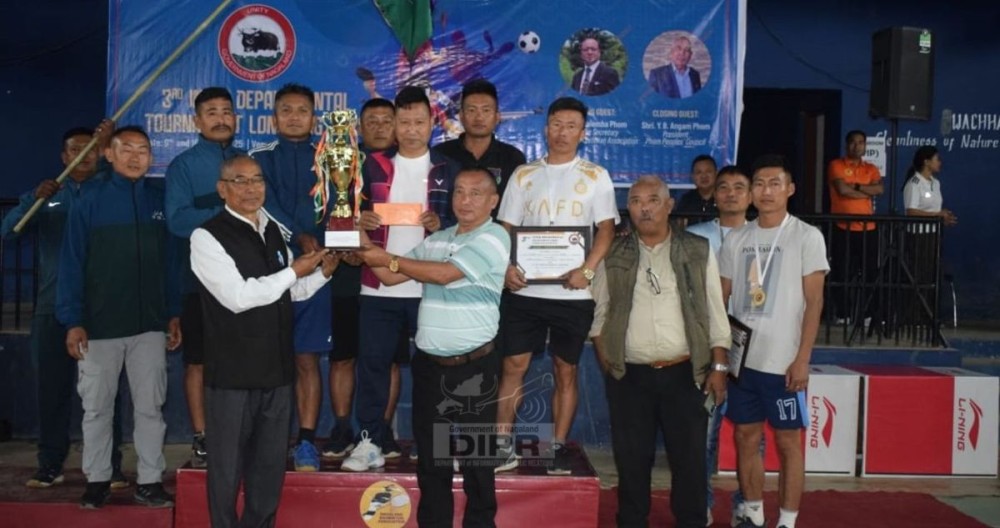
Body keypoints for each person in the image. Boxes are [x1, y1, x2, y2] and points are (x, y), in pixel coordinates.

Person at [355, 167, 509, 528]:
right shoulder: (439, 238)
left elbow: (442, 274)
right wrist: (358, 234)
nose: (465, 200)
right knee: (432, 463)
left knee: (477, 466)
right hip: (430, 369)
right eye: (459, 192)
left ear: (493, 201)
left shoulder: (495, 237)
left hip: (475, 370)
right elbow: (391, 277)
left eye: (475, 193)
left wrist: (388, 258)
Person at [191, 155, 338, 528]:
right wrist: (293, 271)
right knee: (226, 470)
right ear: (222, 188)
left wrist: (321, 273)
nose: (251, 188)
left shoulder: (272, 230)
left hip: (276, 371)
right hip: (232, 374)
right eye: (240, 181)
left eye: (257, 180)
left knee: (269, 469)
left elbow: (293, 292)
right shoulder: (207, 235)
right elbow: (239, 297)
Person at [590, 176, 730, 528]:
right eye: (636, 201)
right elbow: (599, 312)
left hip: (685, 373)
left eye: (653, 200)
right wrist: (607, 361)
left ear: (669, 206)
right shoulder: (614, 252)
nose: (645, 207)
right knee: (632, 462)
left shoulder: (697, 249)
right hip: (630, 376)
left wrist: (718, 366)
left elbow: (715, 311)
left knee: (690, 462)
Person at [56, 126, 182, 509]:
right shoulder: (88, 200)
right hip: (99, 327)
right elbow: (72, 262)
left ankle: (149, 480)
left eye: (142, 150)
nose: (135, 156)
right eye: (125, 149)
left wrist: (173, 313)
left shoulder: (159, 201)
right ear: (108, 154)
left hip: (149, 327)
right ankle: (96, 481)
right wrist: (73, 319)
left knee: (150, 408)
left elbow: (172, 265)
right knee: (97, 409)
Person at [1, 123, 132, 490]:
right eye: (75, 149)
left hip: (99, 308)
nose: (83, 155)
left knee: (106, 393)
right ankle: (49, 464)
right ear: (63, 156)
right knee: (52, 391)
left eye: (90, 148)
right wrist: (33, 201)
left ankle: (110, 465)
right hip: (51, 308)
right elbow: (9, 232)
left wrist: (109, 149)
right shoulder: (48, 194)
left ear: (100, 152)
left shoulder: (108, 190)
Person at [496, 96, 619, 474]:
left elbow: (606, 229)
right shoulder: (523, 175)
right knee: (513, 364)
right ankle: (501, 444)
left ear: (582, 133)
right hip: (525, 291)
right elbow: (505, 228)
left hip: (573, 293)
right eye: (556, 124)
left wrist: (589, 271)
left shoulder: (596, 176)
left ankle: (556, 446)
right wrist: (505, 266)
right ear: (545, 128)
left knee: (566, 368)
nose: (562, 132)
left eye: (571, 126)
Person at [342, 86, 458, 471]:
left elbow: (468, 225)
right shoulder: (368, 165)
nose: (410, 130)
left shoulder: (447, 168)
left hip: (430, 285)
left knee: (434, 370)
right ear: (393, 124)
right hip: (377, 287)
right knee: (373, 366)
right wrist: (360, 221)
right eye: (403, 122)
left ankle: (434, 443)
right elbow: (340, 220)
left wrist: (443, 223)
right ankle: (371, 441)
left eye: (418, 122)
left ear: (431, 124)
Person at [718, 155, 828, 528]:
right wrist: (718, 355)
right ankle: (751, 511)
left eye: (775, 183)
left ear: (790, 189)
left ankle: (787, 520)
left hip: (783, 362)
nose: (766, 191)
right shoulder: (737, 238)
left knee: (787, 444)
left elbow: (815, 302)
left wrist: (802, 359)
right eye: (760, 184)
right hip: (742, 362)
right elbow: (721, 298)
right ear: (751, 192)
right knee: (746, 437)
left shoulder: (806, 236)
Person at [248, 83, 334, 471]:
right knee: (267, 360)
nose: (295, 116)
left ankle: (306, 442)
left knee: (306, 358)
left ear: (314, 117)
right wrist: (299, 236)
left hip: (320, 269)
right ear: (274, 117)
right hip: (271, 272)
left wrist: (331, 245)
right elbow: (263, 204)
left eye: (303, 110)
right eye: (287, 110)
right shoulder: (258, 157)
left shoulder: (332, 155)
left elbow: (343, 203)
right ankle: (266, 441)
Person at [322, 97, 412, 460]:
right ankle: (343, 427)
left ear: (397, 124)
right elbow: (326, 208)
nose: (378, 126)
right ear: (359, 126)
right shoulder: (342, 160)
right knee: (343, 357)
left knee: (386, 361)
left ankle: (383, 430)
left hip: (392, 278)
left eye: (385, 119)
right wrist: (345, 232)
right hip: (347, 273)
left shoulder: (407, 164)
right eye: (370, 120)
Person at [165, 87, 244, 468]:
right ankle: (202, 436)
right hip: (198, 285)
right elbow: (178, 222)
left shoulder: (247, 164)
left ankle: (239, 434)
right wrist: (226, 215)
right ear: (197, 121)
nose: (221, 118)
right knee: (197, 362)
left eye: (227, 111)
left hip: (246, 286)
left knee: (239, 361)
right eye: (211, 112)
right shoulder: (183, 166)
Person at [687, 165, 756, 525]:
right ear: (714, 194)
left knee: (750, 435)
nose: (730, 193)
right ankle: (703, 505)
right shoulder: (696, 237)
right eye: (723, 187)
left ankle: (748, 503)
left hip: (752, 348)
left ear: (751, 195)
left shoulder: (765, 237)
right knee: (704, 436)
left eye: (739, 187)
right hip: (706, 345)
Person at [433, 79, 527, 212]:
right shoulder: (440, 155)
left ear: (497, 117)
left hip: (497, 232)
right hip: (449, 232)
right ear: (461, 116)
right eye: (472, 110)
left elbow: (516, 210)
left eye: (486, 110)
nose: (479, 117)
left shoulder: (513, 158)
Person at [827, 130, 883, 323]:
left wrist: (856, 187)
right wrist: (866, 192)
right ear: (846, 144)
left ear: (865, 145)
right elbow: (842, 190)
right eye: (853, 142)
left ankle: (868, 314)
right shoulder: (836, 165)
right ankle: (843, 314)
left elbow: (879, 189)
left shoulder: (871, 168)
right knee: (842, 272)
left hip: (868, 229)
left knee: (869, 273)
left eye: (861, 142)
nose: (857, 146)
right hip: (843, 227)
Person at [675, 154, 719, 219]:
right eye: (699, 172)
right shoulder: (686, 200)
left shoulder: (723, 198)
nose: (704, 176)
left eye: (708, 171)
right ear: (693, 177)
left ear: (716, 174)